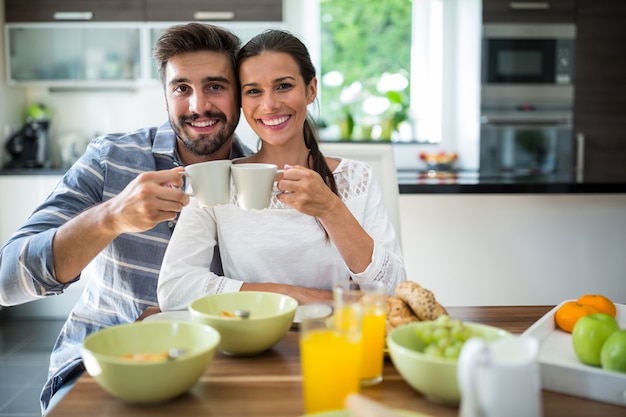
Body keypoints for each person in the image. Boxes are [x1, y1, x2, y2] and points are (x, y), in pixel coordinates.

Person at [0, 22, 252, 414]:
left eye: (215, 86)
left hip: (218, 370)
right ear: (166, 96)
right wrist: (110, 217)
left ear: (239, 94)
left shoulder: (261, 177)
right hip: (100, 369)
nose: (198, 105)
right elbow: (6, 282)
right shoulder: (110, 158)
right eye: (181, 88)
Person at [157, 29, 406, 311]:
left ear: (311, 89)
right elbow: (175, 289)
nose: (270, 104)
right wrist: (297, 295)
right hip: (251, 345)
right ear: (241, 100)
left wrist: (330, 209)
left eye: (283, 86)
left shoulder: (356, 178)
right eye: (253, 91)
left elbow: (394, 291)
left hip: (338, 339)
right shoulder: (217, 182)